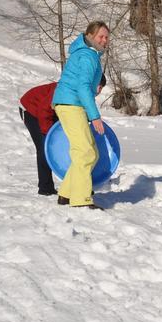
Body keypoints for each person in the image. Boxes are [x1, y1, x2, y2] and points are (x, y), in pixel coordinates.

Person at [52, 21, 110, 210]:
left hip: (71, 104)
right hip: (71, 104)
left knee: (89, 153)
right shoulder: (87, 56)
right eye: (101, 36)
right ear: (90, 36)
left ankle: (67, 194)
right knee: (85, 152)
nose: (104, 40)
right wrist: (94, 116)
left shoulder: (88, 54)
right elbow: (83, 87)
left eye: (107, 37)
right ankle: (81, 200)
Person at [19, 75, 105, 197]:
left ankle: (79, 185)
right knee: (44, 146)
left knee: (79, 146)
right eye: (99, 86)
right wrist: (48, 134)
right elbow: (44, 110)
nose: (100, 91)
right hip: (32, 109)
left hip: (53, 112)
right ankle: (45, 187)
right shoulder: (66, 89)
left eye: (102, 88)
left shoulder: (86, 95)